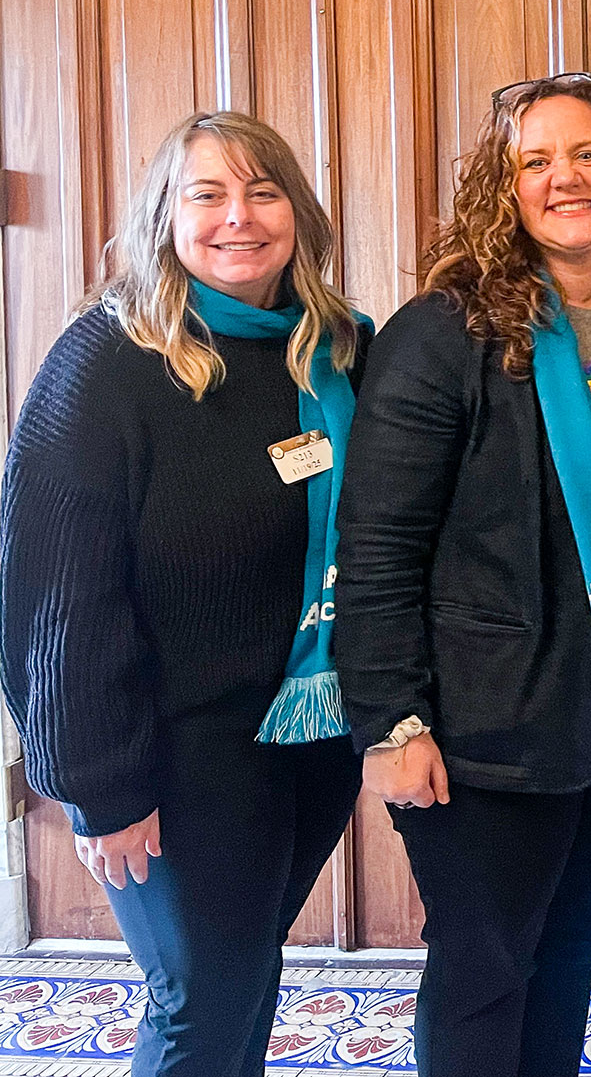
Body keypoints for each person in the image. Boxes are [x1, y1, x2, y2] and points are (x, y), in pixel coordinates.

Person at [333, 73, 591, 1077]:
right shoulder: (442, 335)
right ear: (505, 189)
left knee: (568, 941)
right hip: (484, 723)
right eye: (536, 161)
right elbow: (375, 547)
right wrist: (394, 725)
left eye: (587, 155)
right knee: (486, 965)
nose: (565, 178)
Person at [0, 111, 368, 1075]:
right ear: (165, 215)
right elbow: (52, 596)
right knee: (201, 1005)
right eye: (208, 194)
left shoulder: (335, 352)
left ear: (301, 213)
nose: (238, 218)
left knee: (243, 986)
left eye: (263, 191)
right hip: (171, 755)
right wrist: (100, 786)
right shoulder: (107, 364)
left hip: (306, 737)